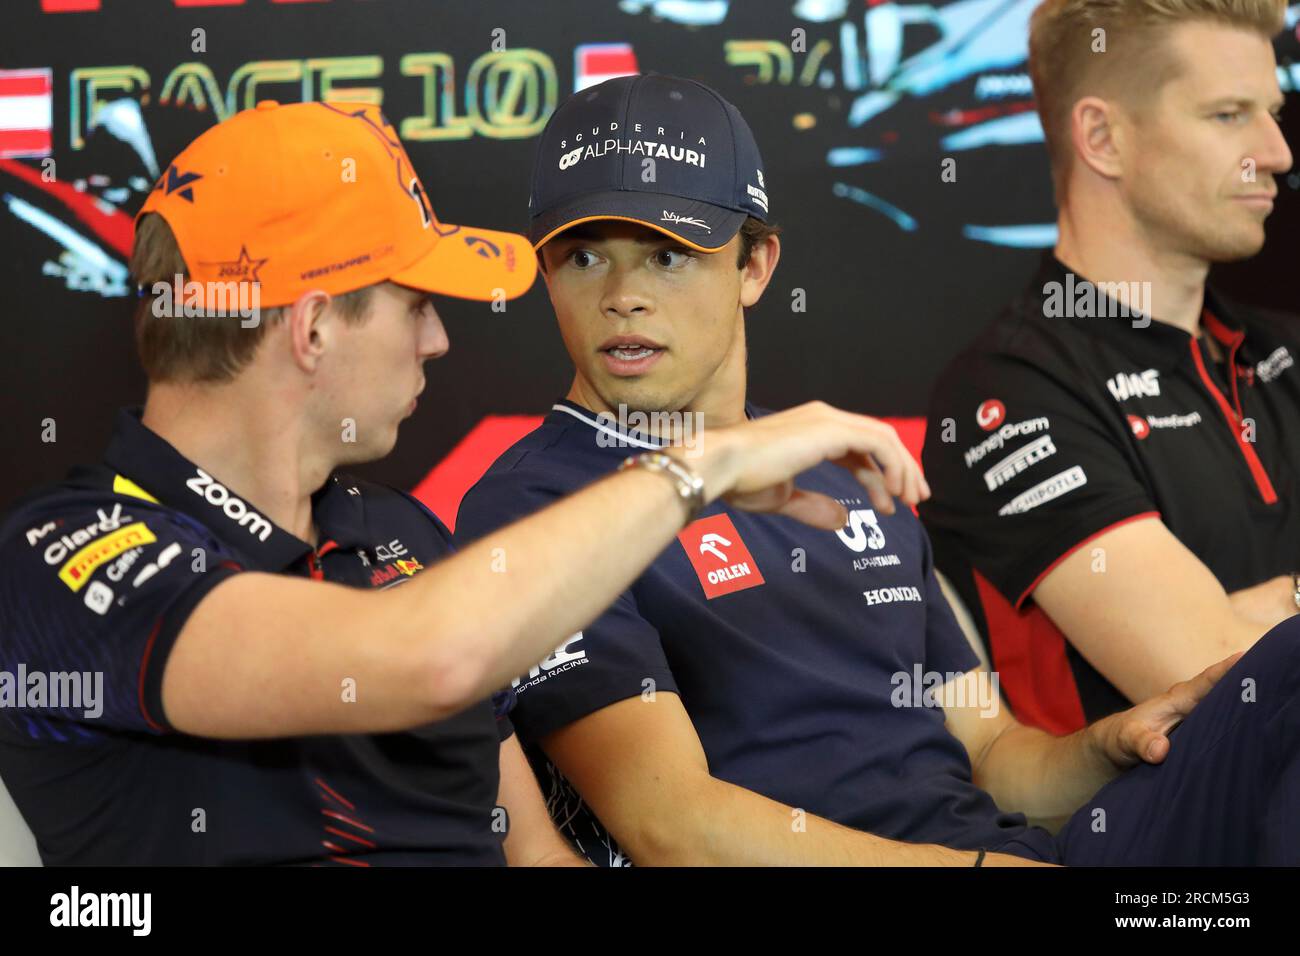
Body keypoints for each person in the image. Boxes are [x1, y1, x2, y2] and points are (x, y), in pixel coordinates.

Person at [0, 99, 929, 865]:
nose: (439, 340)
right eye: (415, 304)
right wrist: (700, 463)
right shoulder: (65, 556)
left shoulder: (397, 535)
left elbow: (534, 858)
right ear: (313, 328)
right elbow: (426, 655)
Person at [455, 72, 1300, 867]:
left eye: (668, 254)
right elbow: (672, 826)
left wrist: (1103, 747)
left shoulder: (835, 464)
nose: (621, 295)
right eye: (583, 256)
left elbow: (993, 755)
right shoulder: (536, 507)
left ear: (755, 267)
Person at [919, 0, 1298, 733]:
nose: (1276, 152)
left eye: (1274, 112)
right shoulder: (1006, 389)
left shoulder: (1285, 346)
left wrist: (1269, 605)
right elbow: (1217, 681)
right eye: (1229, 115)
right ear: (1101, 137)